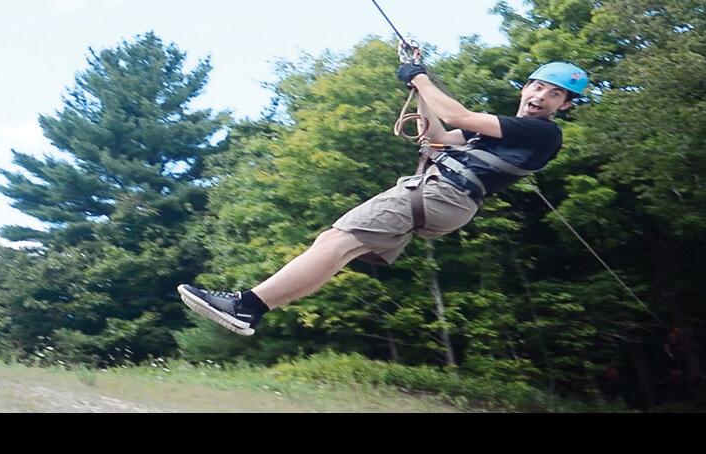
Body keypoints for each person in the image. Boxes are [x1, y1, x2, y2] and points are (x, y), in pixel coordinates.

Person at [179, 60, 589, 336]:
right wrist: (420, 85)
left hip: (441, 193)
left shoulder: (544, 133)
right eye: (538, 86)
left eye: (554, 94)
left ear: (565, 106)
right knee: (337, 249)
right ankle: (253, 309)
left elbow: (458, 117)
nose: (541, 96)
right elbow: (440, 136)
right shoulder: (502, 129)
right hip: (443, 199)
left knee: (335, 240)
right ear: (526, 86)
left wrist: (423, 79)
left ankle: (245, 305)